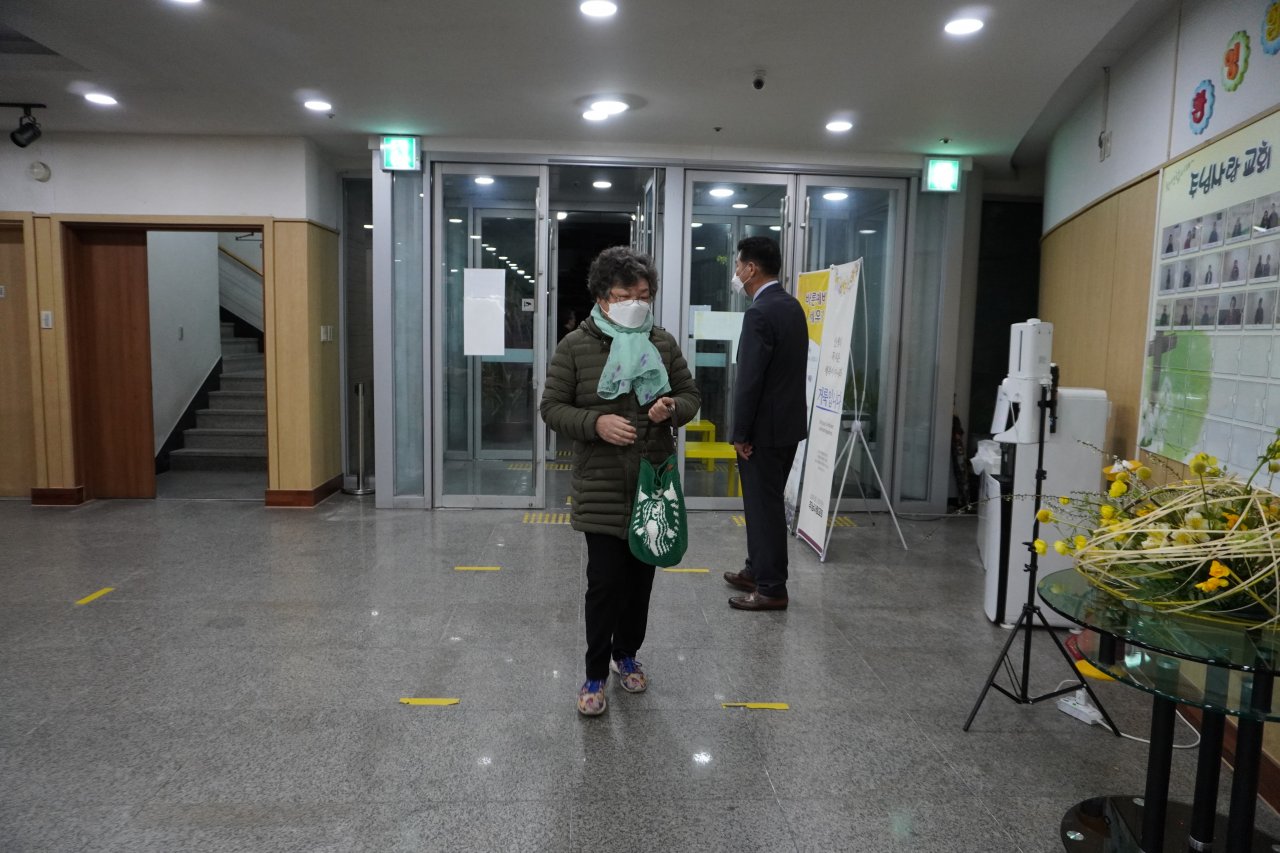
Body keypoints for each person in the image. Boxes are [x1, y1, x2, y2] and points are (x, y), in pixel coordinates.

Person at [539, 246, 700, 717]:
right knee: (605, 584)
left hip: (651, 481)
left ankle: (626, 653)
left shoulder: (662, 342)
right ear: (602, 298)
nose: (636, 303)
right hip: (602, 485)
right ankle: (594, 673)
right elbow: (551, 407)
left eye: (644, 295)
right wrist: (597, 424)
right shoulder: (575, 346)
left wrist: (671, 408)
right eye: (624, 295)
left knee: (640, 581)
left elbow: (689, 396)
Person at [722, 236, 808, 611]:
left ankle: (771, 587)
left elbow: (750, 380)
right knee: (766, 503)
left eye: (738, 265)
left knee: (763, 508)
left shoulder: (759, 313)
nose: (736, 272)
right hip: (788, 426)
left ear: (751, 268)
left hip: (763, 432)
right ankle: (755, 570)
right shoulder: (791, 306)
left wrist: (740, 433)